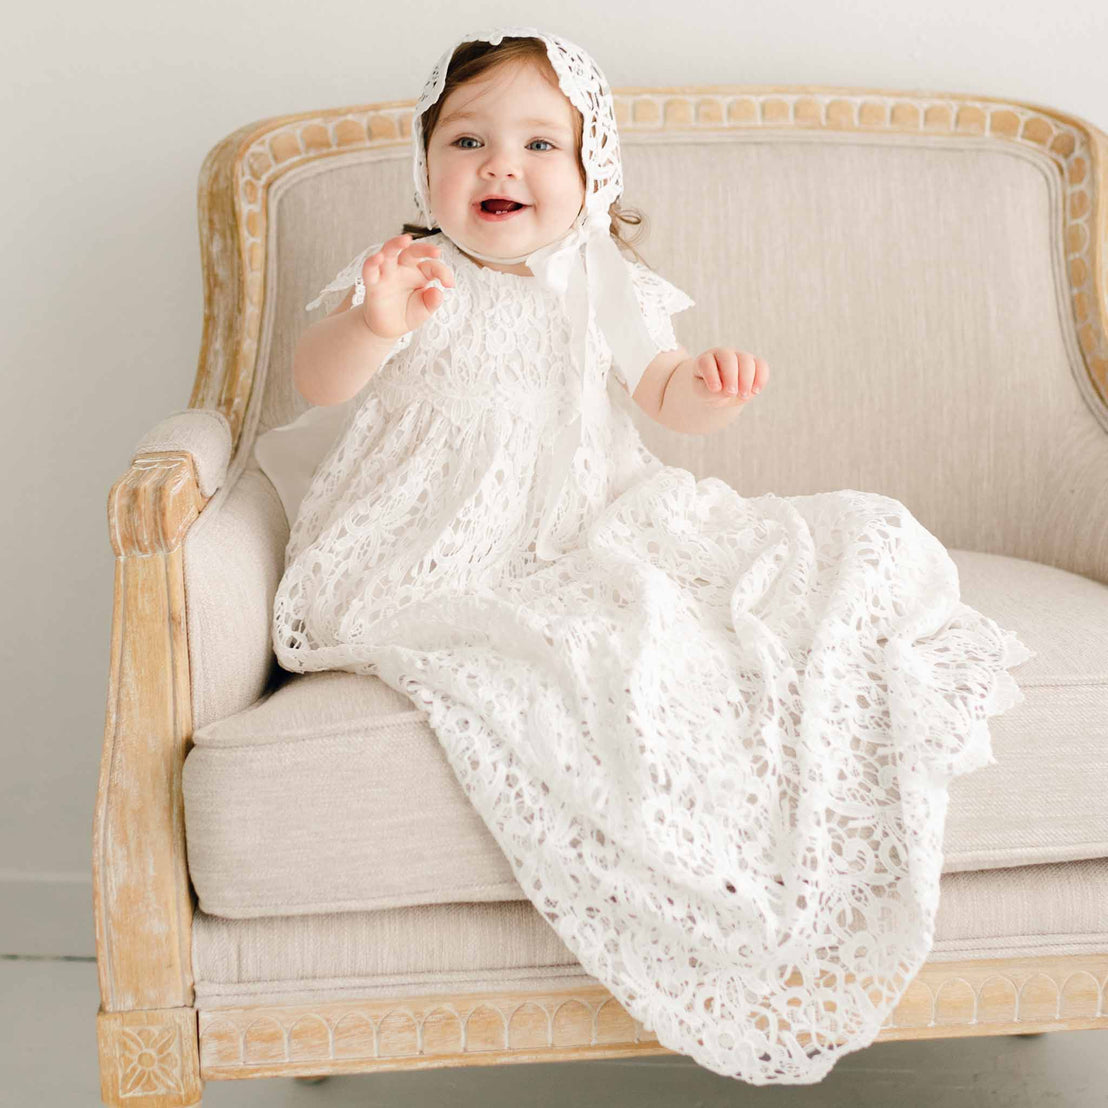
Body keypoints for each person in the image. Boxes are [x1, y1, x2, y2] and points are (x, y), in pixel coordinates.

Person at [253, 26, 1035, 1086]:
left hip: (583, 520)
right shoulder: (415, 273)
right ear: (425, 162)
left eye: (540, 146)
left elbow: (659, 390)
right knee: (558, 647)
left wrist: (705, 393)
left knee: (792, 571)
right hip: (433, 540)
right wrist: (373, 322)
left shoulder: (600, 277)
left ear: (590, 174)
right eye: (469, 140)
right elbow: (320, 381)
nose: (501, 166)